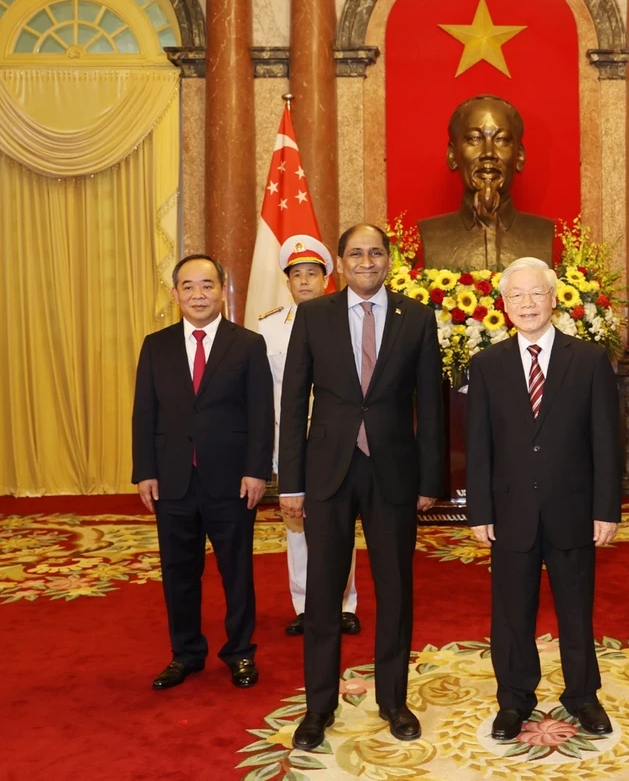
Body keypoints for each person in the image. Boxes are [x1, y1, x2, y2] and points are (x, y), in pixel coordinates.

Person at [280, 224, 444, 750]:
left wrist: (431, 478)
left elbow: (432, 407)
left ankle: (393, 700)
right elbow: (293, 402)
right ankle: (319, 707)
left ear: (388, 260)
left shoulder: (416, 318)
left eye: (376, 252)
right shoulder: (314, 315)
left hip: (393, 471)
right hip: (328, 470)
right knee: (324, 594)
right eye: (356, 253)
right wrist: (291, 481)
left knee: (395, 589)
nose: (367, 260)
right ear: (341, 263)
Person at [466, 256, 623, 741]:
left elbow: (607, 441)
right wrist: (481, 511)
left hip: (573, 510)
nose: (527, 304)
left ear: (554, 300)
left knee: (576, 609)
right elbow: (479, 446)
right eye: (517, 295)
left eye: (537, 294)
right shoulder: (487, 365)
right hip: (511, 512)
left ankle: (582, 695)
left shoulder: (590, 360)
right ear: (505, 305)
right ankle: (514, 699)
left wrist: (605, 508)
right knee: (512, 613)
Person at [132, 254, 273, 691]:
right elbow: (144, 413)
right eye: (188, 286)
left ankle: (240, 652)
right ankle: (187, 653)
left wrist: (256, 470)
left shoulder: (247, 344)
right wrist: (144, 471)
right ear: (174, 294)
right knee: (178, 571)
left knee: (236, 571)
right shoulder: (155, 345)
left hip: (230, 480)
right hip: (172, 479)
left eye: (206, 285)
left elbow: (261, 412)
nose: (198, 294)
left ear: (222, 291)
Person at [257, 235, 361, 639]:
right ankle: (304, 605)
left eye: (312, 274)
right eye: (296, 275)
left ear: (326, 280)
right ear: (288, 282)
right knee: (295, 527)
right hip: (292, 444)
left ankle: (344, 604)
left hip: (338, 442)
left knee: (341, 525)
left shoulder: (345, 321)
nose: (304, 282)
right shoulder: (269, 327)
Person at [418, 94, 554, 269]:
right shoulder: (432, 234)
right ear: (452, 155)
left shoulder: (543, 233)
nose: (488, 153)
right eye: (474, 139)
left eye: (501, 140)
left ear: (519, 156)